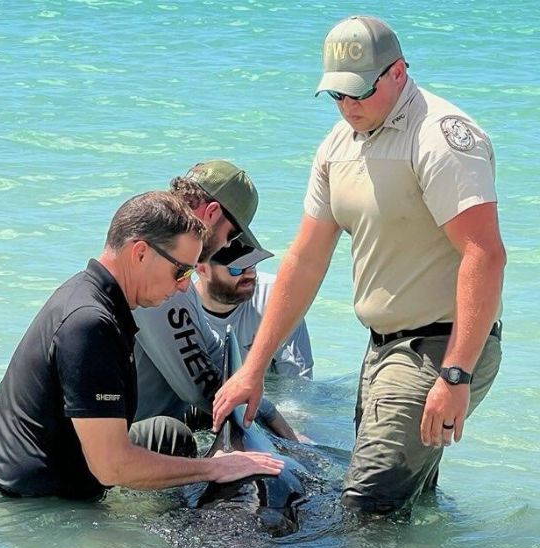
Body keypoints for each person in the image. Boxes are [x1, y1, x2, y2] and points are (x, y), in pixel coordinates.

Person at [213, 16, 504, 515]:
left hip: (440, 347)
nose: (348, 107)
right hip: (381, 353)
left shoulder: (440, 137)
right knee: (408, 505)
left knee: (366, 508)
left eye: (359, 93)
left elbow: (485, 253)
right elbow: (305, 260)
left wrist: (455, 376)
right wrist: (253, 369)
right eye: (337, 96)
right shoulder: (335, 146)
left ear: (397, 71)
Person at [0, 191, 284, 499]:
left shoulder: (93, 294)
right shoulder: (90, 324)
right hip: (24, 496)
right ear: (140, 253)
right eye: (181, 270)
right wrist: (212, 469)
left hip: (15, 466)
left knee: (169, 435)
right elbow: (111, 467)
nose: (186, 285)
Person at [128, 160, 298, 450]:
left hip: (139, 415)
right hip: (119, 439)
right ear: (212, 213)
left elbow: (214, 351)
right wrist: (286, 437)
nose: (223, 246)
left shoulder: (168, 260)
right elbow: (203, 390)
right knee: (176, 433)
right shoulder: (161, 279)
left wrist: (255, 390)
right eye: (231, 236)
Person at [195, 240, 313, 379]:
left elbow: (297, 382)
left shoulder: (276, 297)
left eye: (252, 265)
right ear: (203, 270)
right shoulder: (180, 308)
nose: (250, 275)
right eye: (237, 269)